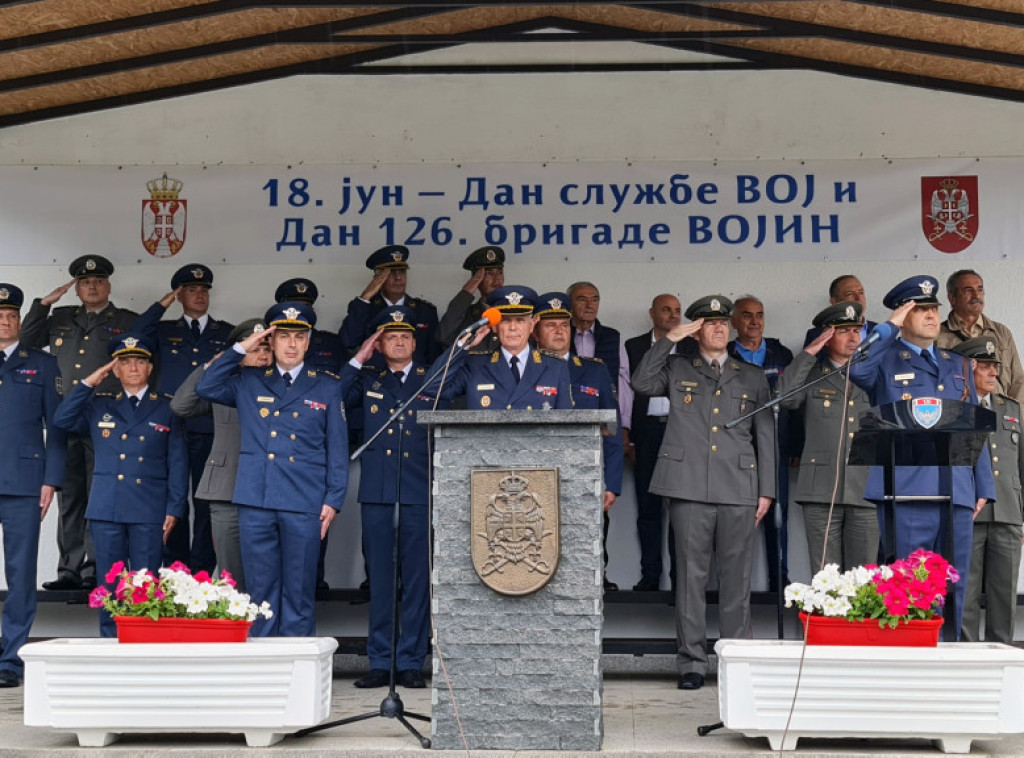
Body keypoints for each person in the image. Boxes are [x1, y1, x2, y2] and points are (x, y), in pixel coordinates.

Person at [632, 295, 775, 691]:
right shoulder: (677, 366)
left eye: (722, 323)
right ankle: (691, 662)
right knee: (691, 580)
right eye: (708, 323)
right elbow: (641, 382)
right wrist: (668, 339)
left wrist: (767, 490)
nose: (718, 328)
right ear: (696, 330)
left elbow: (765, 436)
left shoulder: (752, 376)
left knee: (735, 580)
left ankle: (736, 661)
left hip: (739, 486)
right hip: (688, 484)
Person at [848, 275, 995, 637]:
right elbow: (855, 367)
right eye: (920, 309)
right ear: (903, 314)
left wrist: (982, 485)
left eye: (933, 309)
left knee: (955, 582)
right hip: (906, 489)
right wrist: (888, 328)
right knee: (910, 584)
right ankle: (913, 663)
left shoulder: (958, 364)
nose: (931, 316)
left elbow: (973, 426)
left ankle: (952, 663)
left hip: (957, 489)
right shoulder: (884, 360)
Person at [196, 301, 348, 637]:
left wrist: (334, 499)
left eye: (299, 337)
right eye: (283, 337)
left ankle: (297, 673)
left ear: (308, 342)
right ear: (272, 339)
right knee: (260, 592)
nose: (291, 345)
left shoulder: (326, 386)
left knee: (298, 590)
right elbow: (205, 387)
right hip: (256, 499)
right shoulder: (248, 381)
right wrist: (242, 347)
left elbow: (337, 449)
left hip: (303, 501)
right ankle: (267, 670)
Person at [52, 334, 186, 636]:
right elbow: (62, 420)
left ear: (150, 368)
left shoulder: (166, 407)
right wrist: (89, 382)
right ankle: (109, 643)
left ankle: (143, 644)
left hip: (148, 509)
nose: (134, 367)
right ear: (114, 369)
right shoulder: (99, 405)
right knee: (109, 584)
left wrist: (174, 508)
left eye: (140, 361)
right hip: (107, 507)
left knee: (145, 582)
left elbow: (177, 463)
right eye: (125, 362)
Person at [20, 255, 138, 591]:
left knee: (100, 494)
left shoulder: (126, 320)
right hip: (63, 418)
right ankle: (69, 569)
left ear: (108, 286)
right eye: (85, 282)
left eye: (98, 281)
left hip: (106, 419)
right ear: (77, 287)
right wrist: (42, 305)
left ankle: (95, 568)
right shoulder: (60, 317)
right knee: (68, 496)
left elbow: (143, 362)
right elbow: (26, 341)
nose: (92, 286)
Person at [342, 307, 445, 689]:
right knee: (381, 579)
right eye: (390, 336)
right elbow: (336, 396)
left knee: (417, 581)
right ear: (379, 344)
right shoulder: (369, 377)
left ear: (415, 343)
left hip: (419, 490)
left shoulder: (430, 377)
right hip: (379, 492)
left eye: (405, 336)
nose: (399, 341)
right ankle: (380, 661)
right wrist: (358, 357)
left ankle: (411, 662)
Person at [134, 263, 234, 573]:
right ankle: (176, 569)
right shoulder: (165, 331)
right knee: (172, 501)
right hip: (172, 428)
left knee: (207, 503)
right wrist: (163, 302)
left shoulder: (226, 332)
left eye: (204, 290)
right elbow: (135, 336)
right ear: (179, 296)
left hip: (210, 428)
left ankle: (202, 571)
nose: (199, 295)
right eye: (191, 290)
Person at [170, 319, 271, 591]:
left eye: (267, 349)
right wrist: (212, 364)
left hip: (268, 490)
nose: (262, 355)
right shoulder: (222, 385)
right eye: (253, 349)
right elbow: (181, 405)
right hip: (227, 488)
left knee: (266, 572)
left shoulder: (281, 385)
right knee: (231, 577)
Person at [534, 293, 624, 591]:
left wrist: (611, 483)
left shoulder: (594, 370)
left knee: (589, 552)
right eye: (551, 326)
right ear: (535, 331)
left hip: (586, 477)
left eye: (564, 325)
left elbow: (612, 430)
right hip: (538, 476)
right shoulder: (525, 371)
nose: (559, 331)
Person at [779, 301, 877, 571]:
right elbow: (784, 398)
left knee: (864, 577)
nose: (853, 337)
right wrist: (809, 353)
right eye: (844, 330)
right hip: (821, 489)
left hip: (866, 488)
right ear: (828, 336)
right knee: (825, 576)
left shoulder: (875, 376)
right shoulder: (811, 376)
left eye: (857, 330)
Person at [0, 284, 65, 687]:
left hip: (24, 483)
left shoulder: (41, 364)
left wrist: (52, 479)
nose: (4, 321)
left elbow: (56, 428)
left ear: (20, 322)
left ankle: (10, 659)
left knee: (21, 573)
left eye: (10, 316)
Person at [952, 337, 1024, 644]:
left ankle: (1002, 653)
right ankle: (966, 655)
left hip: (1008, 510)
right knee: (965, 591)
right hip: (971, 512)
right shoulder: (955, 409)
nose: (993, 372)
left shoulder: (1011, 409)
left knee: (1003, 593)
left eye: (995, 366)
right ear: (966, 369)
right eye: (985, 366)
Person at [728, 295, 794, 592]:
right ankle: (732, 581)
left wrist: (795, 445)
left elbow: (795, 405)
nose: (754, 321)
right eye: (747, 315)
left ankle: (779, 578)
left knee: (777, 514)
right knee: (735, 517)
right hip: (734, 449)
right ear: (733, 322)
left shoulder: (781, 354)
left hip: (776, 447)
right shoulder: (724, 354)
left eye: (760, 315)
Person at [623, 294, 683, 592]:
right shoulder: (633, 346)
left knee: (680, 510)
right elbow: (626, 393)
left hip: (680, 435)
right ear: (651, 313)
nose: (673, 315)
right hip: (646, 433)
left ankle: (679, 580)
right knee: (648, 509)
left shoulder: (690, 347)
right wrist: (627, 434)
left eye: (677, 311)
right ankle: (651, 575)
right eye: (666, 310)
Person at [428, 285, 572, 410]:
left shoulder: (555, 367)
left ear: (532, 325)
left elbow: (566, 424)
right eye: (505, 321)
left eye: (520, 320)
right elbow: (433, 389)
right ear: (495, 327)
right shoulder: (476, 365)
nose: (513, 328)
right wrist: (461, 347)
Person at [339, 245, 440, 365]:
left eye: (402, 272)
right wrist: (366, 296)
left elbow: (434, 357)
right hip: (373, 380)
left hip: (416, 381)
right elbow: (347, 342)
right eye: (391, 273)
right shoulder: (365, 308)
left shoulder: (425, 311)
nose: (398, 278)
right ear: (378, 278)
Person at [937, 269, 1024, 405]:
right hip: (958, 415)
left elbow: (1018, 383)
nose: (976, 295)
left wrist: (1018, 421)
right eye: (968, 290)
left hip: (999, 415)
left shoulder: (1001, 332)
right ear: (952, 298)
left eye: (980, 290)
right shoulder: (936, 335)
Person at [436, 246, 505, 352]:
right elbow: (443, 336)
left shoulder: (512, 313)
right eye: (489, 273)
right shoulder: (467, 315)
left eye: (500, 272)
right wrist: (467, 291)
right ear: (476, 279)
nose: (497, 278)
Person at [273, 278, 342, 373]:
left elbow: (344, 383)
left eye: (305, 307)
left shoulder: (332, 342)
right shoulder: (270, 341)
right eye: (294, 307)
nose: (299, 312)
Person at [803, 274, 877, 347]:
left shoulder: (881, 331)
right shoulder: (817, 335)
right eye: (849, 294)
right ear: (834, 302)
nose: (858, 298)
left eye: (861, 293)